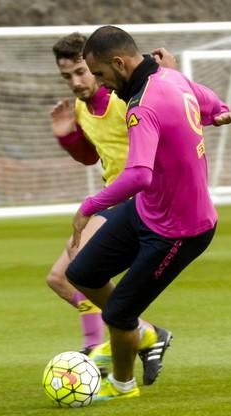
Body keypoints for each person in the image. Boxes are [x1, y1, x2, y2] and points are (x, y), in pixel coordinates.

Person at [65, 25, 231, 401]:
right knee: (81, 272)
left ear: (119, 62)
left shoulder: (141, 105)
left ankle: (122, 385)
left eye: (100, 74)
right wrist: (222, 113)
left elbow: (139, 174)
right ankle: (145, 332)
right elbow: (208, 102)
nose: (101, 84)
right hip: (147, 212)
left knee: (116, 315)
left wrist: (88, 206)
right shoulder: (172, 76)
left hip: (181, 230)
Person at [46, 32, 177, 384]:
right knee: (59, 279)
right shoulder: (80, 108)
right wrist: (67, 137)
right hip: (113, 200)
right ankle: (147, 334)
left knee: (73, 271)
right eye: (67, 77)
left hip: (141, 199)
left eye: (81, 73)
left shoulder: (125, 98)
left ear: (95, 67)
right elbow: (91, 156)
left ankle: (105, 344)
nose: (76, 82)